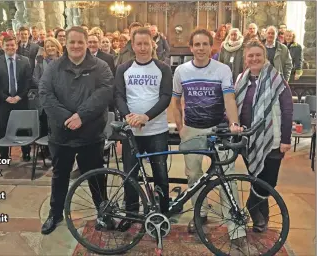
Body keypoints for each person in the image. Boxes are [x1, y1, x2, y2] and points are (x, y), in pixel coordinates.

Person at [172, 28, 246, 248]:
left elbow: (229, 99)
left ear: (211, 46)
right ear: (191, 47)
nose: (201, 48)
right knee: (194, 176)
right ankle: (199, 215)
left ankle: (236, 227)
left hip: (219, 129)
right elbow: (175, 101)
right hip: (192, 129)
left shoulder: (222, 69)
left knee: (227, 177)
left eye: (205, 44)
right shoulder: (181, 71)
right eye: (197, 44)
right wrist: (180, 127)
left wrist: (233, 123)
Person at [39, 26, 114, 235]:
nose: (76, 46)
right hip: (61, 134)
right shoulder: (53, 68)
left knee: (96, 175)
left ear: (87, 43)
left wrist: (81, 116)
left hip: (90, 132)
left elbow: (104, 92)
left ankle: (103, 211)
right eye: (72, 42)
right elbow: (45, 95)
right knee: (60, 175)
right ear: (66, 44)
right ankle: (55, 214)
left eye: (80, 42)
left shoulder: (101, 67)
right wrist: (67, 119)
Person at [114, 27, 172, 228]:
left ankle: (163, 212)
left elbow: (166, 97)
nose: (142, 47)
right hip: (132, 132)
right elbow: (119, 95)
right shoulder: (123, 68)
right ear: (132, 45)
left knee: (161, 174)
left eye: (146, 43)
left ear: (152, 44)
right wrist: (129, 116)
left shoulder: (163, 68)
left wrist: (146, 117)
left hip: (156, 130)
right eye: (138, 44)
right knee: (130, 174)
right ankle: (131, 213)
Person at [235, 39, 293, 233]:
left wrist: (286, 139)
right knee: (256, 177)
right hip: (248, 139)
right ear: (245, 59)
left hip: (273, 139)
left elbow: (287, 109)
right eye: (250, 55)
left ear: (264, 57)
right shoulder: (241, 80)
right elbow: (235, 107)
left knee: (269, 181)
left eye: (258, 55)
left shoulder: (277, 79)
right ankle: (261, 218)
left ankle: (252, 206)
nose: (254, 59)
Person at [0, 36, 32, 161]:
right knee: (4, 127)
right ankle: (4, 154)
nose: (10, 47)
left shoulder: (25, 60)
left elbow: (28, 81)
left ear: (16, 46)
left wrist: (19, 96)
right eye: (7, 45)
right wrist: (6, 97)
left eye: (12, 45)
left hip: (21, 100)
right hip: (4, 101)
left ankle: (26, 152)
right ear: (2, 46)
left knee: (23, 127)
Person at [33, 37, 63, 160]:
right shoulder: (40, 62)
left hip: (61, 99)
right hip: (45, 99)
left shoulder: (64, 62)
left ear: (58, 47)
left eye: (52, 46)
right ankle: (47, 151)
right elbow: (35, 78)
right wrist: (46, 87)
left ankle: (59, 150)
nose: (50, 48)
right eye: (48, 46)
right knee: (45, 125)